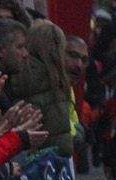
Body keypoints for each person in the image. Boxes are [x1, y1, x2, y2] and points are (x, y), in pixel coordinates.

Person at [9, 20, 76, 155]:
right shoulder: (55, 83)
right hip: (47, 160)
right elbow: (61, 141)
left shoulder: (16, 76)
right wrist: (78, 134)